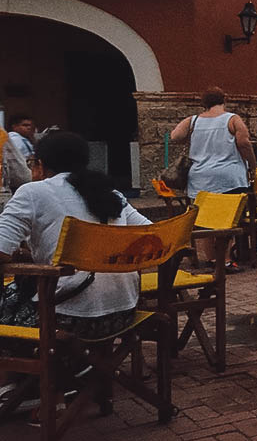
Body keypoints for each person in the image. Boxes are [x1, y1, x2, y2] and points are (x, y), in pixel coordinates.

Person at [0, 131, 151, 340]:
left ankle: (24, 372)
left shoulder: (32, 193)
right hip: (123, 312)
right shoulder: (110, 193)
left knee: (9, 303)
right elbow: (150, 235)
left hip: (66, 317)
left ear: (40, 164)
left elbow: (1, 250)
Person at [170, 88, 255, 199]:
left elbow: (175, 136)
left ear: (204, 104)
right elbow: (244, 144)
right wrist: (253, 165)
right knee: (230, 214)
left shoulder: (192, 121)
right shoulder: (233, 119)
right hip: (229, 179)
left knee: (205, 214)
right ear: (224, 100)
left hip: (199, 179)